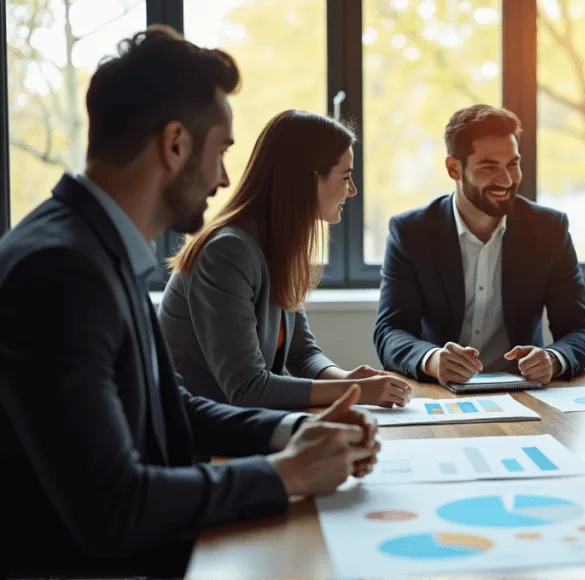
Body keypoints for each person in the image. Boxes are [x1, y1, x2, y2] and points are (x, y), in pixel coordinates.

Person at [0, 27, 379, 577]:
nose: (226, 178)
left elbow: (171, 405)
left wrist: (294, 434)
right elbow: (114, 507)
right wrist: (285, 475)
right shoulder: (59, 271)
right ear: (175, 144)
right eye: (221, 150)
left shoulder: (97, 246)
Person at [160, 110, 411, 410]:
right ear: (308, 181)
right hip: (192, 435)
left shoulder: (278, 247)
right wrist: (354, 391)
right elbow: (247, 387)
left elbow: (301, 353)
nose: (352, 190)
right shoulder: (227, 253)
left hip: (238, 425)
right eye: (345, 177)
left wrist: (345, 378)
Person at [373, 104, 585, 385]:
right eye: (489, 167)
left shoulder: (549, 230)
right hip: (441, 393)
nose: (505, 180)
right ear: (454, 168)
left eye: (513, 164)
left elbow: (580, 331)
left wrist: (553, 358)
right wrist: (431, 360)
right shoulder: (410, 233)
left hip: (523, 392)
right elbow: (390, 331)